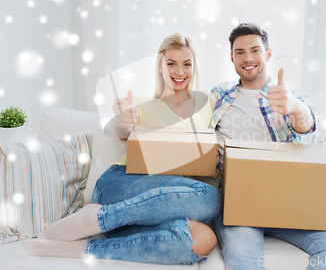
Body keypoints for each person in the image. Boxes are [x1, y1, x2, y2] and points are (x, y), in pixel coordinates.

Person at [22, 33, 221, 265]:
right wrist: (124, 122)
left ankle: (86, 246)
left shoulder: (208, 101)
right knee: (209, 198)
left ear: (194, 67)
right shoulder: (143, 104)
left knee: (201, 240)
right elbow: (116, 128)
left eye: (187, 64)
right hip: (122, 185)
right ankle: (98, 218)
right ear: (160, 66)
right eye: (171, 64)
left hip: (159, 208)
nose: (179, 72)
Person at [211, 23, 326, 269]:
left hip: (287, 201)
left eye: (255, 50)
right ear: (232, 58)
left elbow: (306, 124)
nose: (247, 58)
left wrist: (294, 106)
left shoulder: (288, 95)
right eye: (240, 52)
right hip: (238, 203)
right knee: (244, 260)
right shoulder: (219, 96)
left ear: (267, 55)